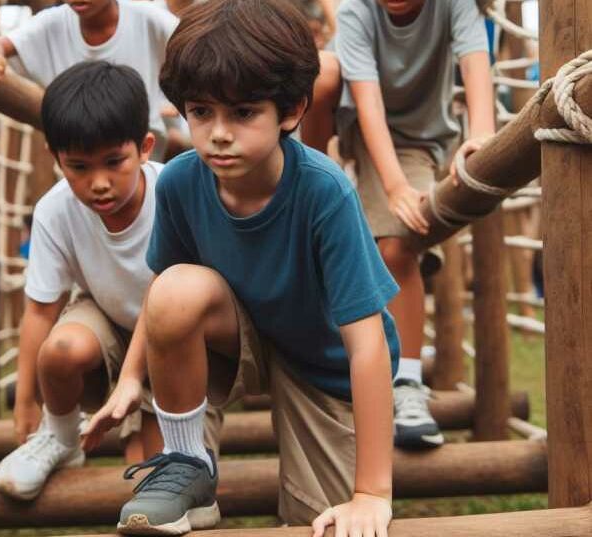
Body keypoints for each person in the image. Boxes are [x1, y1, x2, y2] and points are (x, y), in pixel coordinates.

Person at [82, 1, 400, 534]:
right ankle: (190, 470)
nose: (219, 133)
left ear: (292, 110)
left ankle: (339, 484)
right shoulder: (183, 181)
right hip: (241, 337)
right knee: (181, 288)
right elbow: (163, 291)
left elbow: (365, 345)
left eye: (244, 112)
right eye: (202, 112)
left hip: (325, 365)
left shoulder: (325, 193)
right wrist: (130, 378)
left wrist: (371, 492)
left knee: (318, 520)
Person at [0, 61, 221, 501]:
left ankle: (169, 444)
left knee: (158, 477)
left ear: (145, 147)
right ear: (55, 158)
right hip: (107, 314)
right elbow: (41, 310)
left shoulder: (173, 194)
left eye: (114, 162)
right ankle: (59, 438)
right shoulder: (55, 211)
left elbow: (172, 295)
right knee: (59, 350)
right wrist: (26, 401)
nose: (99, 183)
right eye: (78, 167)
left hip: (177, 336)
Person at [304, 0, 495, 448]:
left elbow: (476, 67)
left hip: (420, 139)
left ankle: (407, 384)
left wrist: (482, 137)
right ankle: (310, 167)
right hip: (359, 130)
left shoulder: (455, 6)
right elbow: (367, 103)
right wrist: (393, 188)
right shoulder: (357, 11)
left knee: (395, 247)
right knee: (322, 72)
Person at [0, 0, 178, 161]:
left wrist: (176, 97)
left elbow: (195, 49)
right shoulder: (52, 23)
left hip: (142, 152)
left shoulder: (148, 19)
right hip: (82, 150)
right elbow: (0, 45)